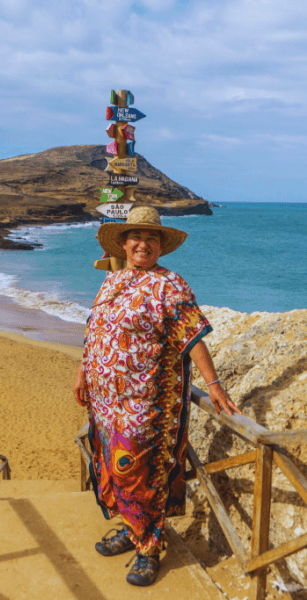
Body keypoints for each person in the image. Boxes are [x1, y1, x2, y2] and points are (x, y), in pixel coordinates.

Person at [73, 206, 239, 587]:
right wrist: (83, 371)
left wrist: (214, 385)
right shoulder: (113, 281)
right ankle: (132, 530)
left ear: (161, 247)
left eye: (151, 239)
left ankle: (149, 546)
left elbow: (192, 336)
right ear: (125, 244)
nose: (142, 244)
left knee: (138, 471)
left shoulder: (170, 285)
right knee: (110, 466)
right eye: (136, 238)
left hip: (143, 401)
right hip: (103, 399)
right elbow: (94, 328)